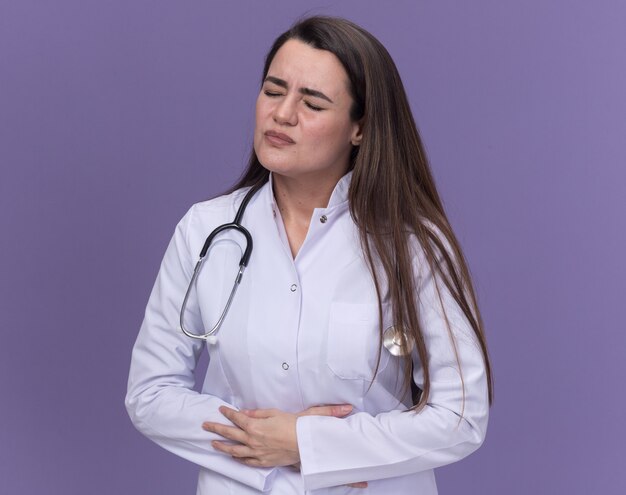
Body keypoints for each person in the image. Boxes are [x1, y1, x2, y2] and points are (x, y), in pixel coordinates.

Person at [125, 15, 493, 494]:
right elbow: (150, 395)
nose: (282, 114)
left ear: (359, 129)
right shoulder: (206, 229)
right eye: (273, 91)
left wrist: (307, 443)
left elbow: (461, 416)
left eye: (313, 102)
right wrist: (268, 447)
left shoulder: (413, 245)